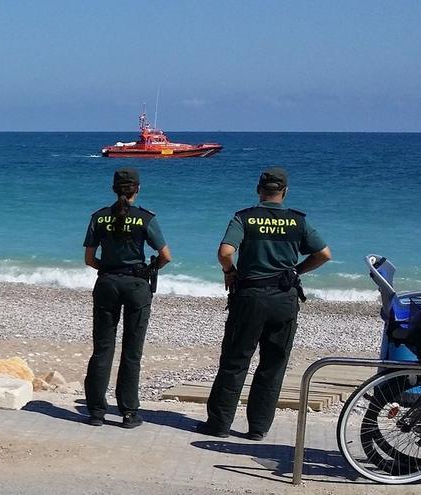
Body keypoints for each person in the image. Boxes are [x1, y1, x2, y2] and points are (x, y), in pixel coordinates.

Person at [198, 167, 331, 440]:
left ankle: (219, 424)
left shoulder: (244, 218)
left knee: (235, 360)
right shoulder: (298, 221)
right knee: (273, 364)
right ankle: (258, 428)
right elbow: (324, 254)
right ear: (284, 192)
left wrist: (229, 271)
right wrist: (297, 271)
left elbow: (225, 252)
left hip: (251, 297)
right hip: (284, 299)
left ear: (259, 190)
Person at [83, 168, 172, 428]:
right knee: (132, 351)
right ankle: (129, 412)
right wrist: (147, 270)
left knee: (102, 349)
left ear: (114, 189)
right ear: (138, 189)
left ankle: (96, 412)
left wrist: (109, 269)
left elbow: (89, 260)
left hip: (107, 283)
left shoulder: (99, 218)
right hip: (136, 285)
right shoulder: (145, 218)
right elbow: (166, 256)